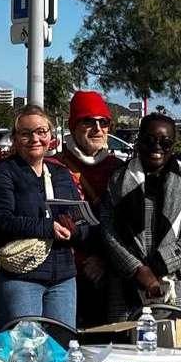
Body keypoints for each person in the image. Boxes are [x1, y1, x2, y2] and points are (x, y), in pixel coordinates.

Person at [99, 113, 181, 321]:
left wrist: (158, 267)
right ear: (138, 141)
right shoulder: (116, 181)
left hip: (171, 283)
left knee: (172, 349)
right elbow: (108, 230)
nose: (157, 147)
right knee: (126, 350)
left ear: (173, 145)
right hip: (126, 285)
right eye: (149, 140)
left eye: (165, 142)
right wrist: (138, 270)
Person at [0, 106, 83, 328]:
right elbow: (0, 219)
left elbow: (79, 219)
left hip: (63, 278)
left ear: (50, 135)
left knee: (61, 347)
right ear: (15, 138)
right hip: (22, 277)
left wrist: (76, 229)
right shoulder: (4, 172)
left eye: (41, 131)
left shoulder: (61, 173)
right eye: (26, 133)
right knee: (25, 350)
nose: (35, 138)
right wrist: (47, 228)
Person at [56, 91, 124, 326]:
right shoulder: (52, 166)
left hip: (110, 274)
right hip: (65, 274)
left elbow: (129, 225)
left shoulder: (120, 169)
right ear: (73, 126)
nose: (97, 128)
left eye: (103, 122)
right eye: (88, 121)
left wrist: (104, 259)